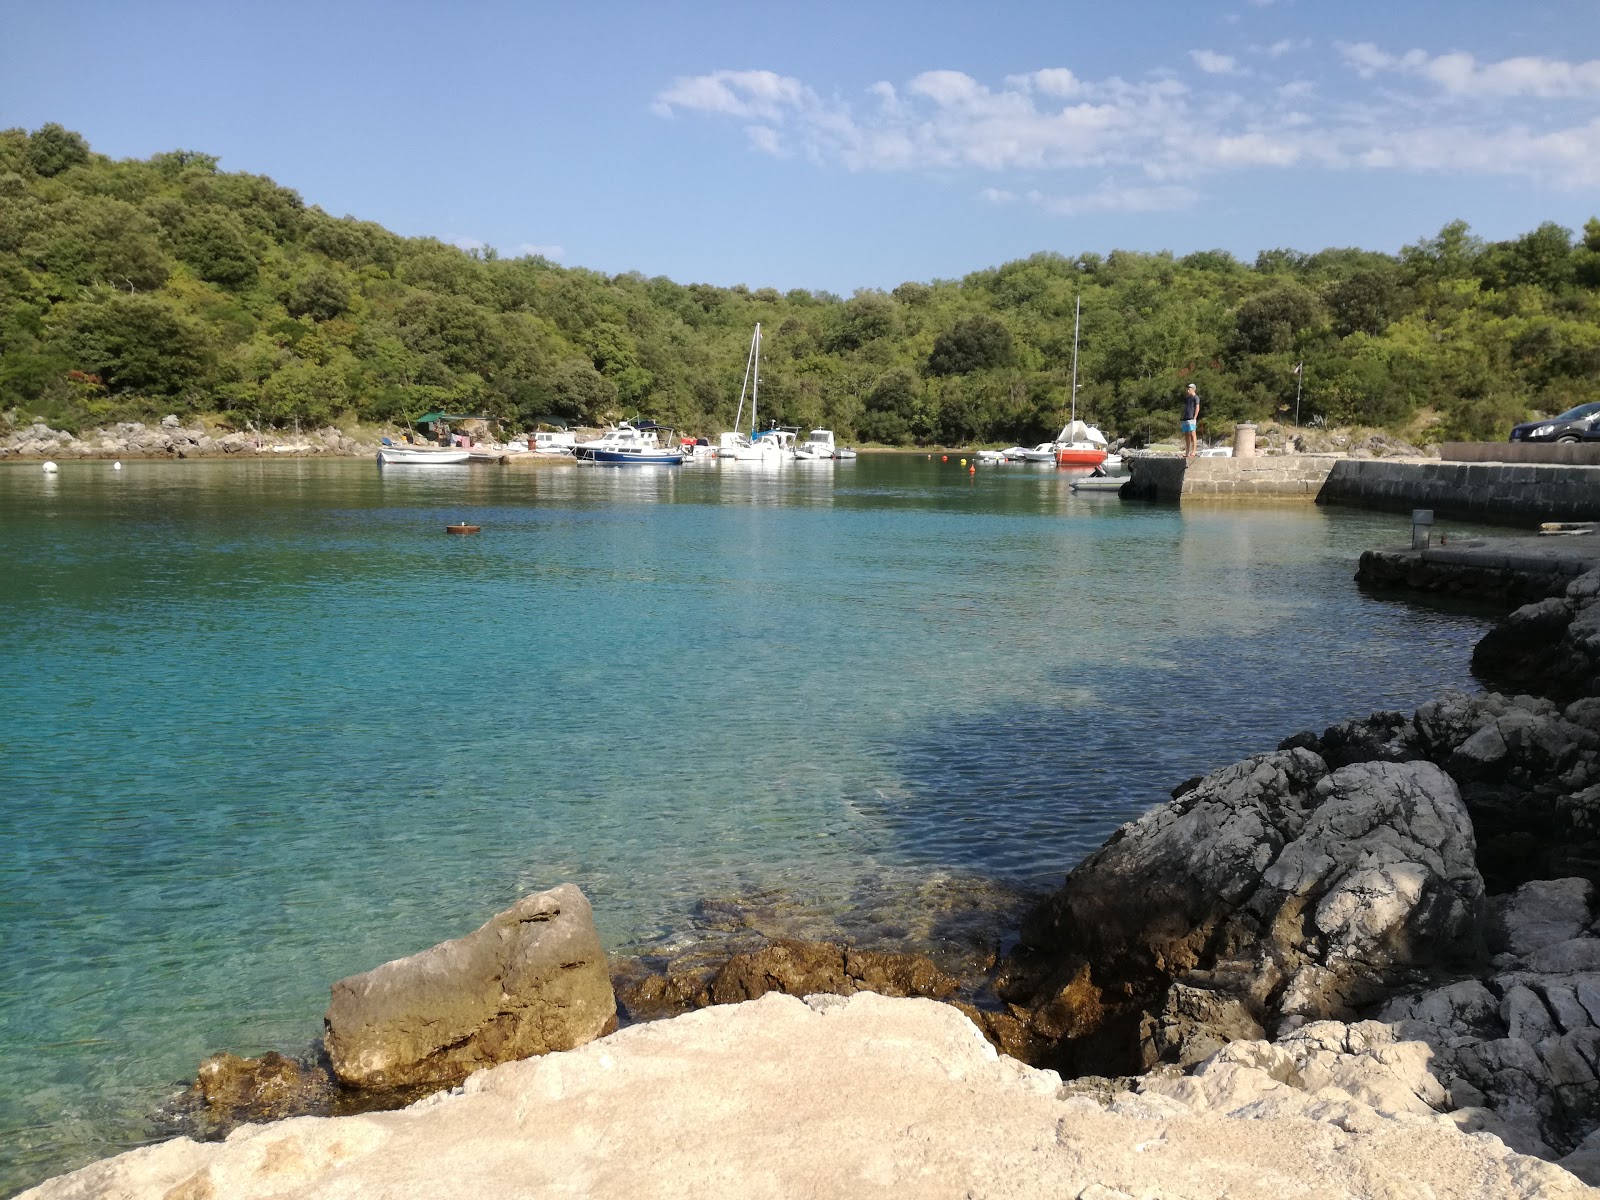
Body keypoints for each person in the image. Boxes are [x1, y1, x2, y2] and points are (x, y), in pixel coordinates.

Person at [1180, 383, 1200, 460]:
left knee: (1193, 434)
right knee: (1187, 435)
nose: (1188, 390)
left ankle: (1193, 451)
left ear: (1193, 389)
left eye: (1189, 389)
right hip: (1186, 418)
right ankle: (1187, 452)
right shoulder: (1188, 398)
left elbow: (1197, 408)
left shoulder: (1196, 397)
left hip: (1191, 418)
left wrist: (1194, 418)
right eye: (1187, 389)